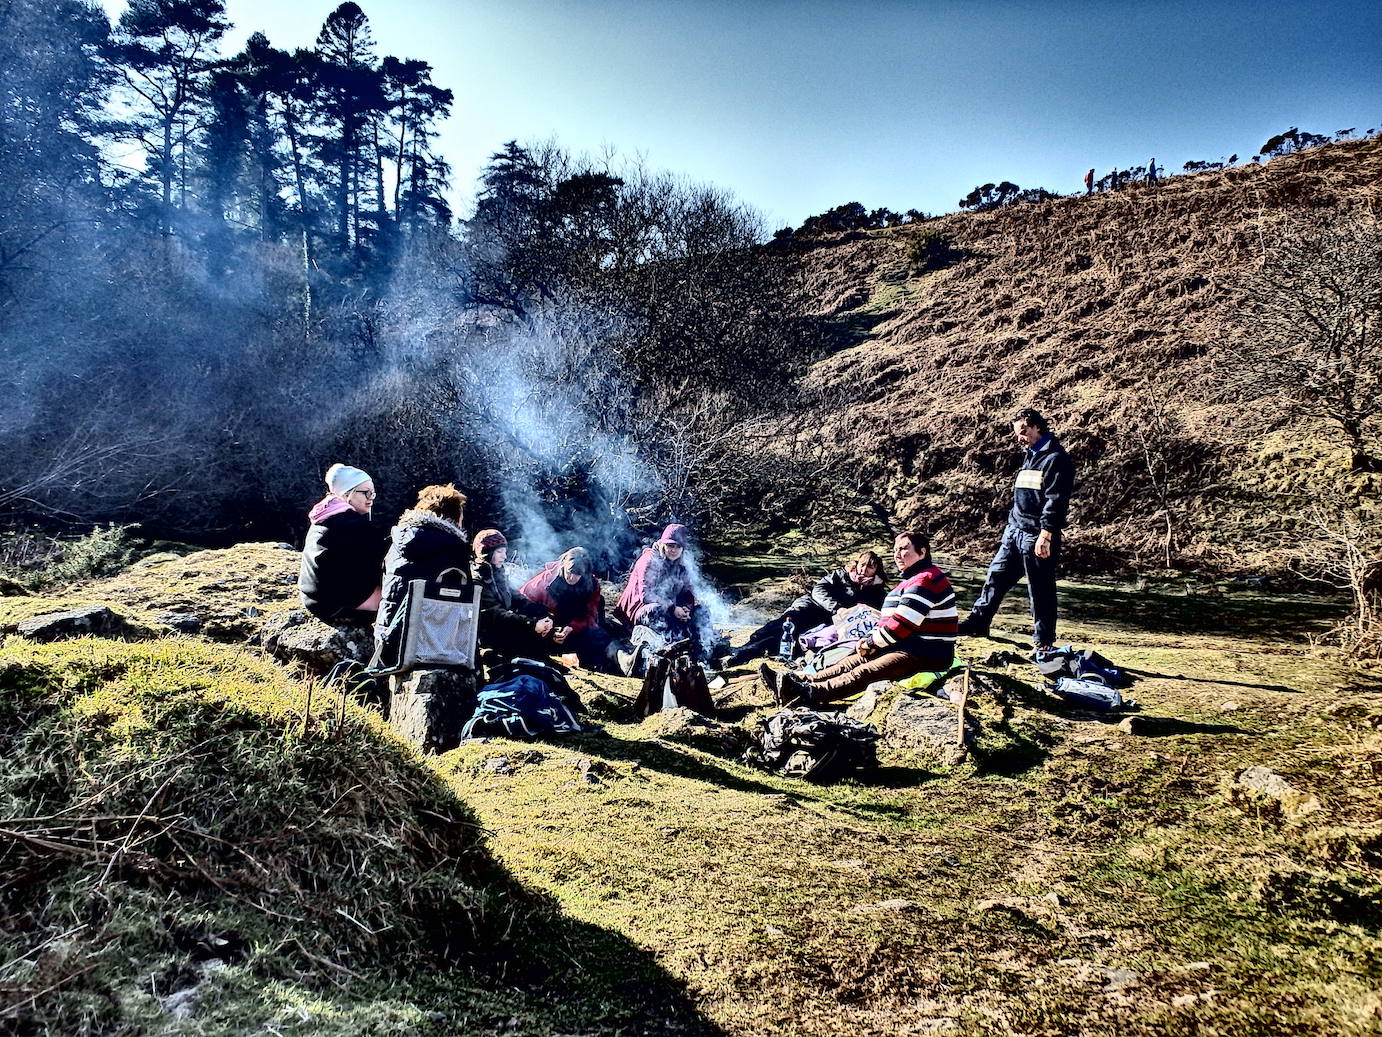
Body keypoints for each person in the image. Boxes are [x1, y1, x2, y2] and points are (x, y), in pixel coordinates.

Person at [759, 531, 956, 706]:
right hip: (906, 645)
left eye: (904, 549)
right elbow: (888, 621)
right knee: (851, 661)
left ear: (922, 552)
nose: (897, 554)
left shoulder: (926, 580)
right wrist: (870, 640)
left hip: (927, 652)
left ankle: (806, 694)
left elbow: (901, 625)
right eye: (895, 549)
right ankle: (802, 680)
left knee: (866, 671)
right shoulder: (912, 580)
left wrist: (872, 641)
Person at [956, 408, 1076, 654]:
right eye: (1017, 433)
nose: (1019, 438)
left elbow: (1056, 501)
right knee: (995, 577)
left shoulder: (1056, 459)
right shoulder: (1029, 455)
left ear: (1037, 428)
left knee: (1040, 589)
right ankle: (978, 623)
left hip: (1037, 534)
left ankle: (1043, 641)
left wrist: (1046, 534)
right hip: (1014, 530)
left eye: (1023, 432)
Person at [726, 550, 887, 665]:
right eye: (862, 565)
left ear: (876, 570)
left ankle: (743, 654)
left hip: (825, 622)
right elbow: (819, 590)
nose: (864, 570)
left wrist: (875, 585)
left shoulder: (875, 589)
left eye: (870, 567)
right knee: (780, 626)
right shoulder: (841, 575)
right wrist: (837, 608)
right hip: (811, 606)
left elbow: (872, 611)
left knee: (788, 640)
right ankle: (738, 651)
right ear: (857, 564)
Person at [375, 484, 472, 656]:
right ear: (453, 518)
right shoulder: (454, 547)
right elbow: (466, 606)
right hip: (427, 647)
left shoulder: (396, 542)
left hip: (386, 642)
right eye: (461, 518)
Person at [519, 546, 632, 673]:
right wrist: (548, 630)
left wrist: (572, 627)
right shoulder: (544, 582)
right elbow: (521, 605)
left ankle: (625, 661)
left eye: (577, 574)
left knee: (601, 634)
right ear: (563, 566)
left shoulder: (592, 585)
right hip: (546, 632)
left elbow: (590, 615)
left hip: (575, 629)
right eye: (569, 572)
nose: (571, 577)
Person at [615, 523, 716, 664]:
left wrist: (687, 608)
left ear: (683, 548)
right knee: (657, 610)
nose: (673, 550)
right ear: (663, 545)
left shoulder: (681, 566)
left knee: (702, 611)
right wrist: (673, 608)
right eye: (670, 546)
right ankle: (670, 652)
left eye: (677, 547)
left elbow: (687, 594)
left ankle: (703, 656)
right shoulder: (649, 561)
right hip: (639, 610)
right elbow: (646, 595)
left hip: (670, 610)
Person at [297, 463, 385, 623]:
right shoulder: (351, 524)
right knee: (398, 600)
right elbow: (377, 562)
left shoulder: (325, 514)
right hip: (333, 605)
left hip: (312, 597)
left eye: (373, 493)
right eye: (366, 493)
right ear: (347, 494)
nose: (371, 499)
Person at [471, 529, 562, 670]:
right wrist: (531, 624)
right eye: (500, 552)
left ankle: (540, 658)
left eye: (504, 552)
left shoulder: (499, 575)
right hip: (490, 634)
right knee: (526, 629)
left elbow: (519, 600)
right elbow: (496, 614)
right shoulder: (478, 581)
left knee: (536, 620)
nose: (505, 556)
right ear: (487, 553)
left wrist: (546, 615)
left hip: (505, 626)